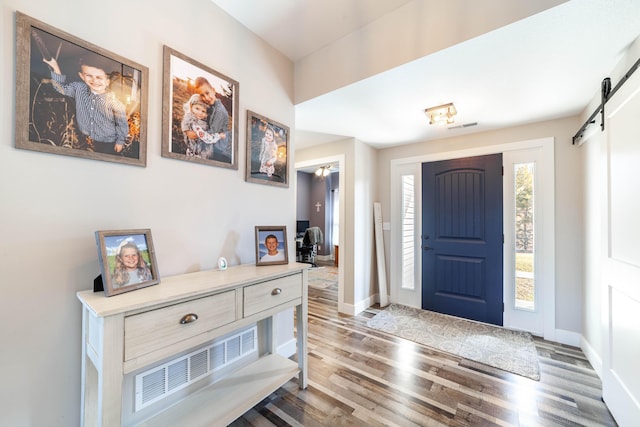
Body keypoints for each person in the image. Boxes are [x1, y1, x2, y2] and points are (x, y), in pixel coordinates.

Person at [43, 55, 129, 155]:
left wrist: (120, 142)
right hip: (84, 140)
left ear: (107, 81)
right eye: (88, 75)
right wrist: (55, 67)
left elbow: (122, 123)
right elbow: (61, 88)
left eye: (99, 77)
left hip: (107, 142)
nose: (94, 80)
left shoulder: (114, 102)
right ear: (82, 76)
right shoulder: (79, 88)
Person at [190, 76, 231, 163]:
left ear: (213, 90)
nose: (206, 98)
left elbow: (210, 134)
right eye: (202, 95)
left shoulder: (220, 112)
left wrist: (196, 133)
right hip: (210, 147)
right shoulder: (211, 107)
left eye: (207, 93)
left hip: (217, 151)